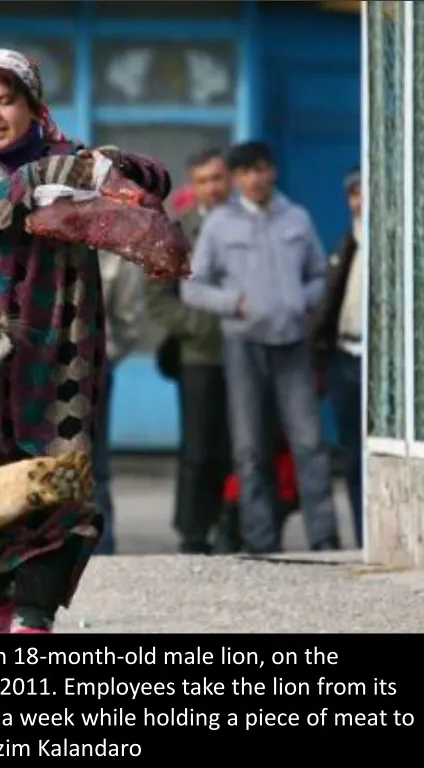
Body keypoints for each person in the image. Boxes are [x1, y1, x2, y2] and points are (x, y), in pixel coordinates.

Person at [0, 48, 172, 633]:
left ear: (33, 107)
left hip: (58, 359)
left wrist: (108, 166)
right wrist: (37, 181)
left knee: (60, 488)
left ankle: (35, 621)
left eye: (6, 101)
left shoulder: (69, 163)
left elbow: (154, 183)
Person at [182, 140, 340, 554]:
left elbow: (319, 275)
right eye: (245, 172)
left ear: (272, 172)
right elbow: (192, 286)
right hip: (243, 346)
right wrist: (233, 304)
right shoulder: (219, 224)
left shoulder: (297, 218)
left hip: (292, 345)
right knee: (249, 447)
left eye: (260, 169)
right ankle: (260, 539)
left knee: (309, 442)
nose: (254, 178)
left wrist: (302, 302)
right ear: (236, 179)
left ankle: (324, 537)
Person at [147, 148, 233, 554]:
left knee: (240, 448)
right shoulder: (177, 232)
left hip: (250, 353)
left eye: (218, 178)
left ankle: (235, 526)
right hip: (199, 356)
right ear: (192, 186)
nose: (212, 188)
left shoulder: (248, 225)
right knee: (198, 449)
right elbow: (159, 300)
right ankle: (193, 531)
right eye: (203, 181)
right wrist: (201, 327)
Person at [313, 165, 363, 547]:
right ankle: (363, 535)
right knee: (352, 455)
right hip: (343, 356)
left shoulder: (397, 245)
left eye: (365, 192)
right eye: (353, 194)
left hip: (374, 360)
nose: (359, 201)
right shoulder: (346, 242)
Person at [93, 251, 145, 555]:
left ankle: (101, 549)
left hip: (93, 365)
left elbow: (128, 320)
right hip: (47, 366)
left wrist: (106, 357)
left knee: (95, 466)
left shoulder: (117, 252)